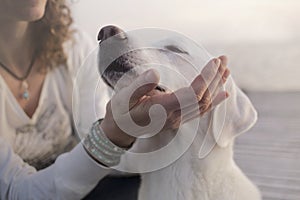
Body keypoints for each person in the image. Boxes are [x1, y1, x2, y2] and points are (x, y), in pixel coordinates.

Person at [0, 0, 230, 199]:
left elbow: (107, 155)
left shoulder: (73, 47)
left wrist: (145, 123)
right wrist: (116, 132)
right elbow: (15, 193)